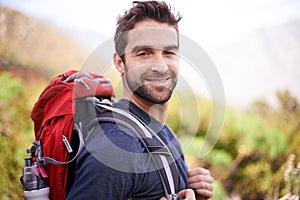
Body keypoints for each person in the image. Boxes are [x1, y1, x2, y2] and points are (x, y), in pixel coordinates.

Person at [66, 1, 213, 199]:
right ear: (120, 63)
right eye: (144, 53)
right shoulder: (116, 148)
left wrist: (191, 188)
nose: (160, 66)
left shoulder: (164, 134)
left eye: (169, 52)